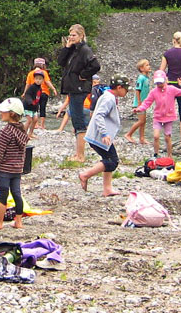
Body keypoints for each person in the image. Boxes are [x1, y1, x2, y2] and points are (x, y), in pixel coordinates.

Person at [56, 23, 100, 162]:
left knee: (78, 121)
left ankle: (80, 155)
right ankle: (78, 154)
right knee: (76, 119)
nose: (71, 37)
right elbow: (61, 62)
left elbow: (96, 65)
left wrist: (83, 75)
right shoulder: (73, 50)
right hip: (72, 88)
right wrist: (67, 47)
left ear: (81, 36)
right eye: (70, 35)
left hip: (79, 88)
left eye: (74, 35)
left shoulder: (85, 50)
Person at [78, 75, 129, 197]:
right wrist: (105, 133)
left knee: (109, 159)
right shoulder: (108, 98)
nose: (126, 92)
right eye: (126, 89)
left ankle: (107, 188)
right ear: (119, 87)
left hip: (100, 135)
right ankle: (85, 175)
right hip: (99, 136)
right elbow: (99, 115)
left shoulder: (109, 96)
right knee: (112, 161)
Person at [0, 97, 29, 230]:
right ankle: (19, 222)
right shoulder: (22, 130)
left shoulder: (6, 131)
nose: (0, 113)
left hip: (4, 170)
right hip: (17, 170)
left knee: (3, 195)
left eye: (3, 111)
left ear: (11, 113)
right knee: (17, 194)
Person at [135, 70, 181, 158]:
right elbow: (147, 102)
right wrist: (139, 109)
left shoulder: (171, 89)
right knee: (156, 136)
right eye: (157, 82)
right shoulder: (154, 92)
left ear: (165, 80)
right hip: (158, 117)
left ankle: (169, 155)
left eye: (161, 82)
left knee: (167, 137)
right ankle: (156, 154)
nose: (159, 84)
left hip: (169, 116)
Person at [123, 59, 153, 145]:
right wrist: (139, 102)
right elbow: (137, 90)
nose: (149, 66)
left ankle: (142, 138)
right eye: (147, 65)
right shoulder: (141, 78)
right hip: (139, 103)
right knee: (141, 121)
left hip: (144, 103)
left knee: (144, 121)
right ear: (141, 68)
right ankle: (128, 134)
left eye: (148, 64)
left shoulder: (146, 78)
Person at [25, 58, 54, 130]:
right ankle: (42, 125)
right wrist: (53, 89)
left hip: (34, 94)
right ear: (43, 65)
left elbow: (27, 84)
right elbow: (47, 82)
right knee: (42, 108)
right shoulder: (44, 72)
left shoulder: (30, 73)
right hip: (44, 93)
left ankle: (36, 124)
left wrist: (24, 93)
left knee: (35, 107)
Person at [21, 70, 45, 139]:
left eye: (40, 79)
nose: (38, 80)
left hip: (34, 107)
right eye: (36, 79)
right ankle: (24, 134)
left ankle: (30, 133)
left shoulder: (40, 88)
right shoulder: (32, 87)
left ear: (43, 80)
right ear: (34, 79)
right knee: (29, 120)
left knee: (35, 119)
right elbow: (27, 94)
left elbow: (38, 98)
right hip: (27, 106)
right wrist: (30, 101)